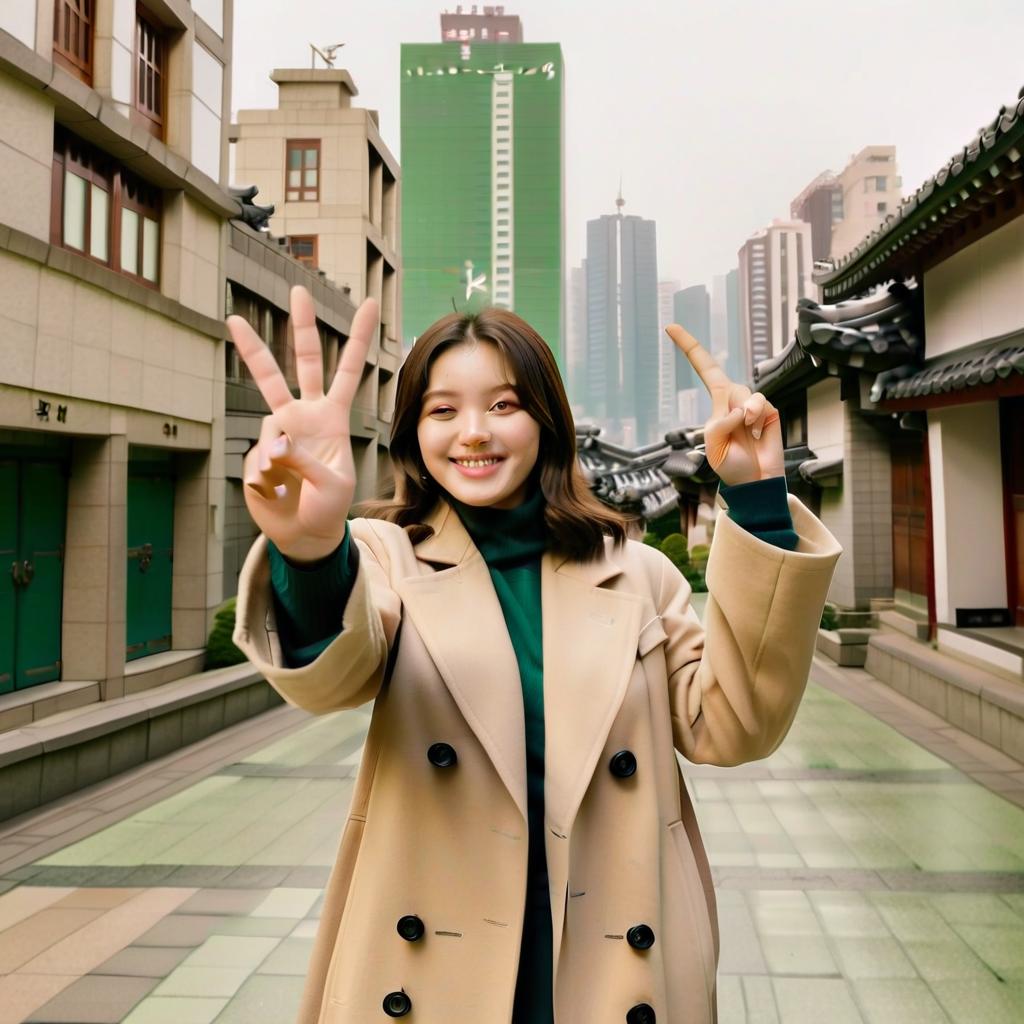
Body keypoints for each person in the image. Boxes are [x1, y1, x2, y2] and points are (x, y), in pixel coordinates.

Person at [229, 286, 841, 1024]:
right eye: (442, 410)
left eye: (504, 405)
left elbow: (738, 725)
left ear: (547, 422)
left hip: (610, 960)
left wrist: (757, 500)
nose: (474, 433)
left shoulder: (637, 574)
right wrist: (311, 548)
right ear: (412, 433)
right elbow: (337, 671)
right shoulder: (387, 560)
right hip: (429, 973)